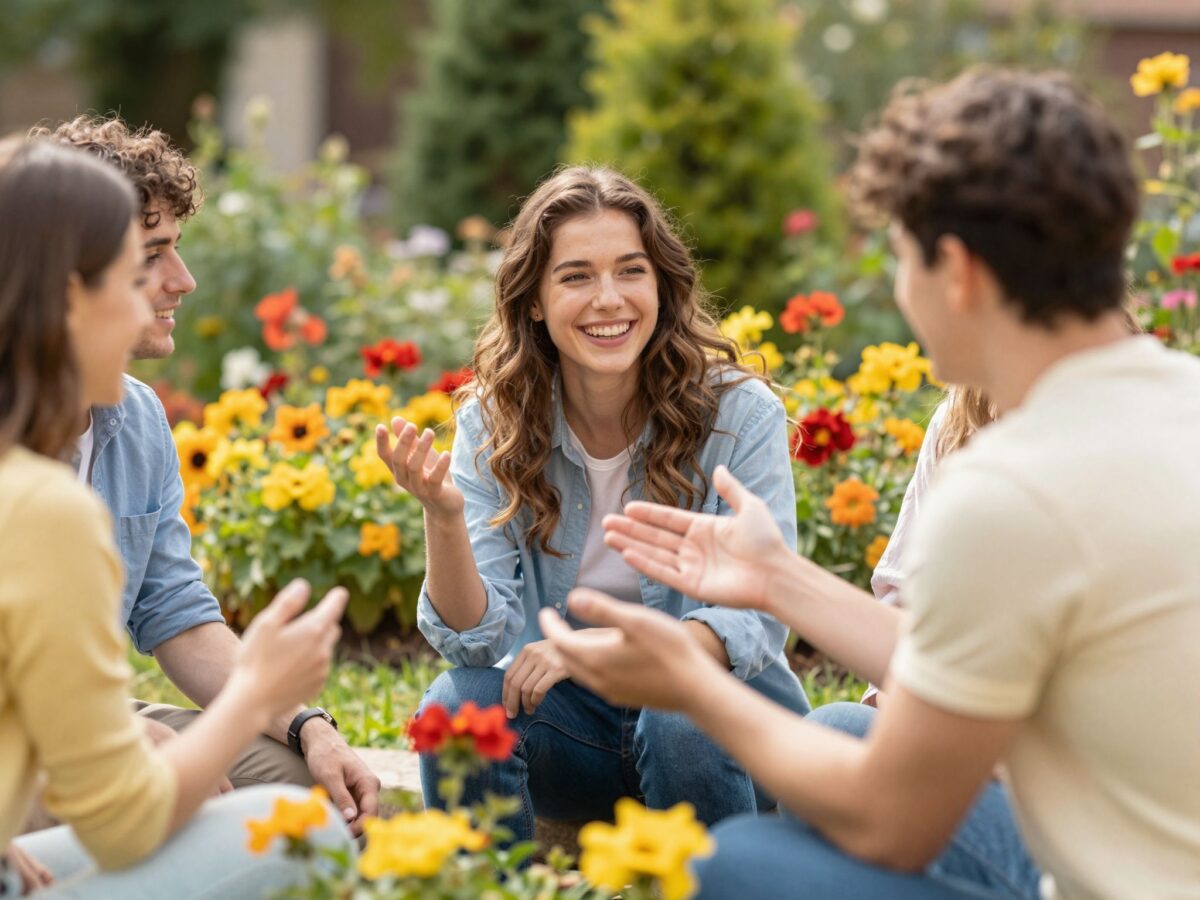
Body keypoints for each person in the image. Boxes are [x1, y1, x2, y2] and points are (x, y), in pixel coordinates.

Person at [540, 68, 1200, 898]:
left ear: (955, 270)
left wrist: (695, 687)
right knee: (845, 727)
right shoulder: (1177, 403)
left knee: (738, 866)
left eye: (899, 258)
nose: (900, 289)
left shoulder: (1013, 491)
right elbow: (965, 664)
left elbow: (894, 820)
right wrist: (777, 579)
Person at [376, 166, 810, 840]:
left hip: (722, 737)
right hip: (574, 735)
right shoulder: (494, 424)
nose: (609, 299)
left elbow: (753, 616)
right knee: (459, 711)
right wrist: (444, 517)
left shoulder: (739, 415)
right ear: (536, 302)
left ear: (660, 285)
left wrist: (595, 649)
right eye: (577, 276)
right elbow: (473, 642)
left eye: (630, 271)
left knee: (678, 705)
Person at [0, 142, 352, 897]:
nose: (178, 285)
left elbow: (172, 609)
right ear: (67, 289)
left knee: (298, 781)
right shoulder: (40, 505)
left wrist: (302, 722)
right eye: (142, 264)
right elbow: (122, 818)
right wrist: (247, 697)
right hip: (52, 750)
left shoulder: (137, 421)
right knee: (302, 839)